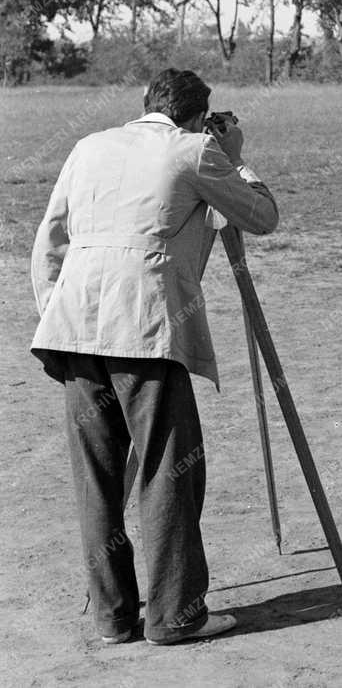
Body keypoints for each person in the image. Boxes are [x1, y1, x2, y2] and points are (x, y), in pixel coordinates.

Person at [29, 69, 279, 647]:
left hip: (73, 331)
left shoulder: (88, 146)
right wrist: (234, 156)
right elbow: (262, 217)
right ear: (196, 117)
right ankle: (175, 616)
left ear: (147, 105)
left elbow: (49, 242)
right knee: (170, 473)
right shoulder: (194, 151)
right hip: (143, 333)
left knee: (97, 479)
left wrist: (58, 315)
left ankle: (114, 618)